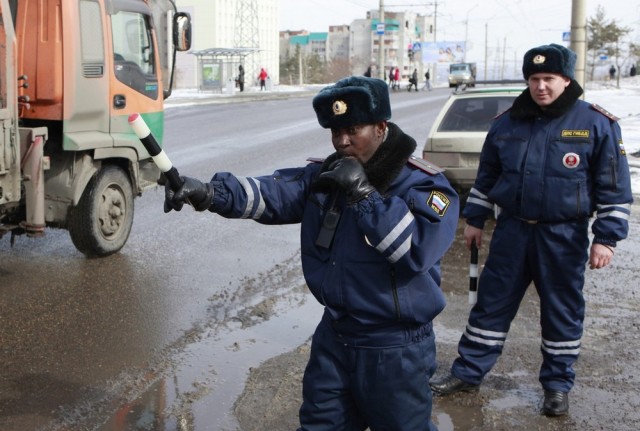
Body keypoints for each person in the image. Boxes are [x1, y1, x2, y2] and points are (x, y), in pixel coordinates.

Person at [163, 76, 459, 430]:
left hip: (395, 348)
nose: (342, 141)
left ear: (381, 126)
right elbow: (271, 194)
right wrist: (209, 193)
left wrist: (364, 195)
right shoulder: (328, 174)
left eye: (353, 129)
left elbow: (416, 251)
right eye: (335, 132)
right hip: (335, 337)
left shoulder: (424, 184)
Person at [429, 43, 633, 417]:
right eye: (534, 79)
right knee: (490, 306)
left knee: (562, 311)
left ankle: (556, 386)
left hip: (563, 236)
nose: (541, 86)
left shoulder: (596, 123)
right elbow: (488, 176)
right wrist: (475, 219)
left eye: (549, 79)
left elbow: (614, 189)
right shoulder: (507, 123)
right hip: (512, 232)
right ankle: (468, 372)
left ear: (566, 79)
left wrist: (606, 239)